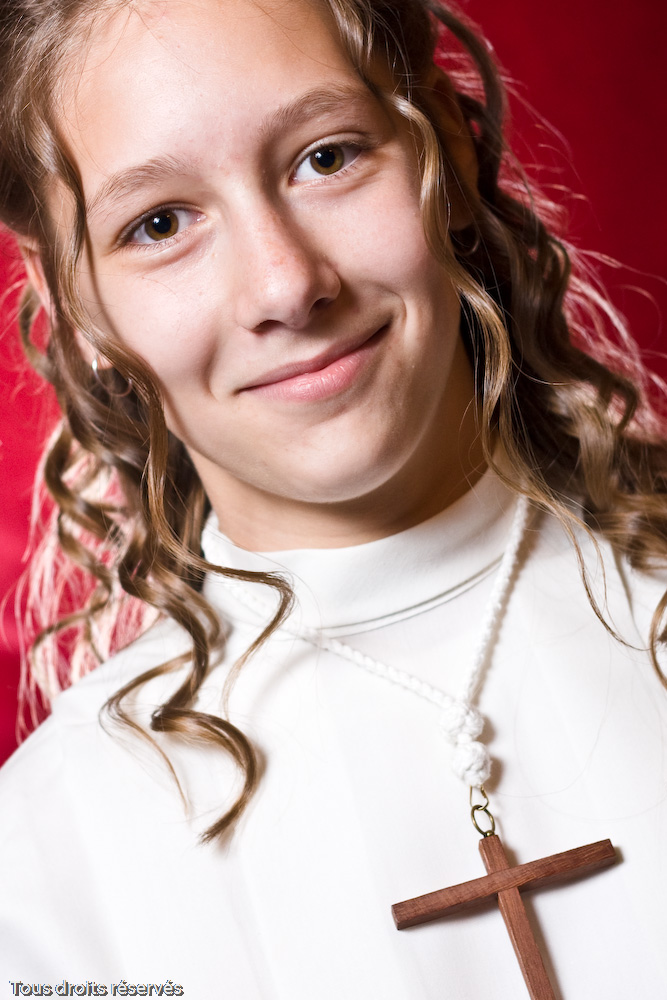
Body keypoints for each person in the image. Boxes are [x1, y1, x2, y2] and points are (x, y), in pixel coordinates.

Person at [0, 0, 665, 996]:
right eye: (160, 223)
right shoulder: (45, 866)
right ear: (78, 304)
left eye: (326, 157)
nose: (284, 285)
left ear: (443, 151)